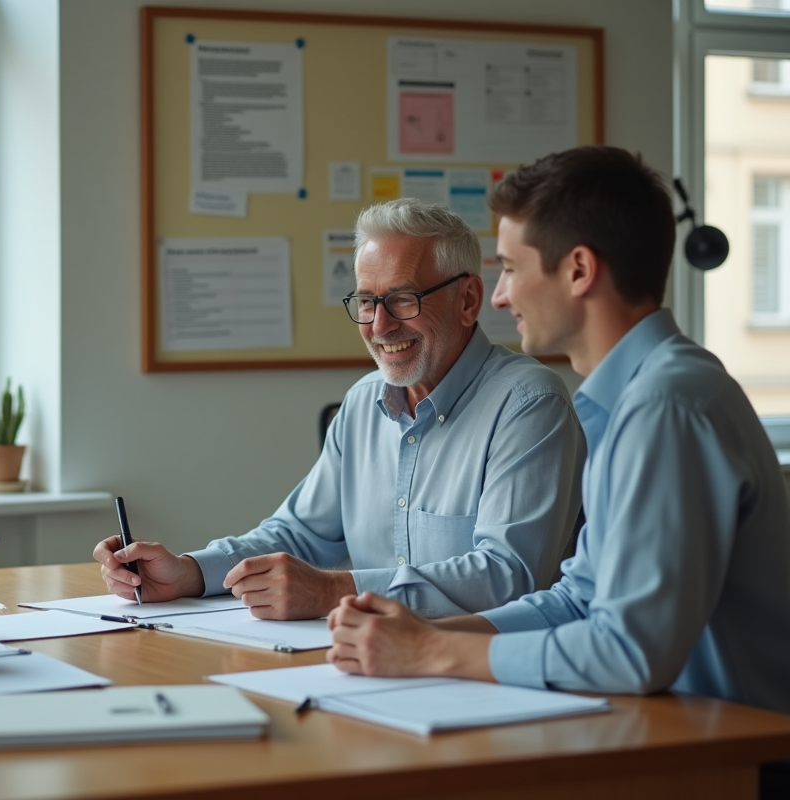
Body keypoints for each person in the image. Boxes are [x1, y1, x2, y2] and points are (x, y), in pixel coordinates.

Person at [327, 146, 790, 720]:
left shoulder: (665, 407)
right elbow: (579, 600)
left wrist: (434, 650)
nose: (498, 296)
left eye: (513, 269)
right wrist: (417, 630)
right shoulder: (634, 398)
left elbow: (630, 652)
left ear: (578, 270)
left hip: (730, 757)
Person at [94, 199, 585, 620]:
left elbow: (509, 575)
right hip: (368, 665)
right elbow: (299, 534)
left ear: (469, 299)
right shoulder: (362, 404)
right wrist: (190, 572)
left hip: (486, 679)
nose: (379, 326)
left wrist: (336, 591)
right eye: (367, 302)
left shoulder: (529, 404)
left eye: (403, 299)